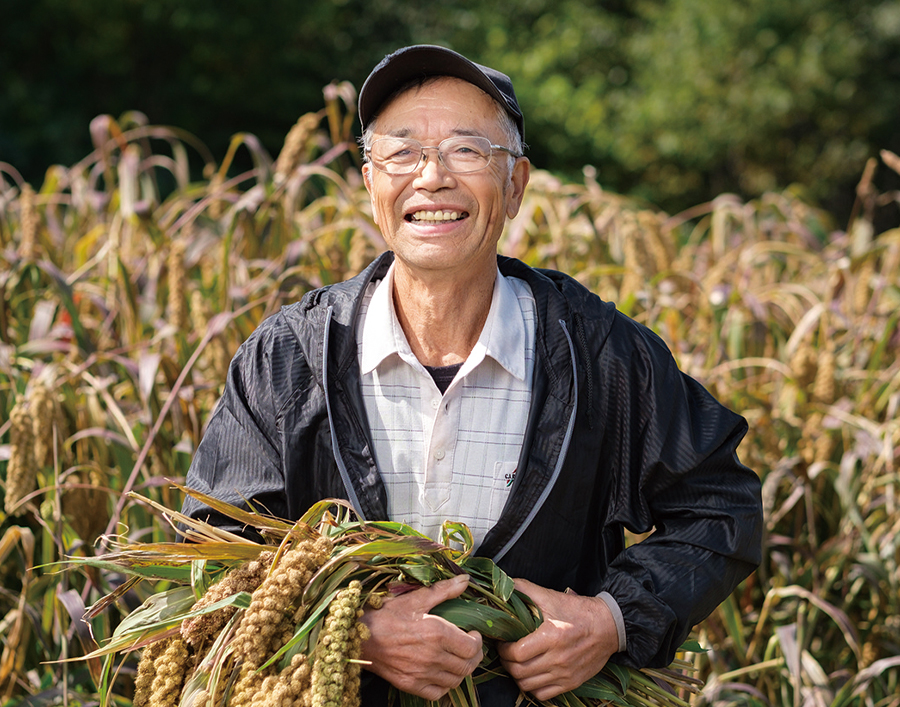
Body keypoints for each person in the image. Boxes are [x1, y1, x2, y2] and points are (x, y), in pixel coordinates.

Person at [182, 44, 764, 705]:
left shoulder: (600, 354)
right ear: (371, 182)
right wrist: (358, 635)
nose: (431, 177)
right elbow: (213, 553)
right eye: (402, 152)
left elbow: (720, 504)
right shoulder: (288, 359)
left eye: (466, 151)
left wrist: (612, 617)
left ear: (515, 185)